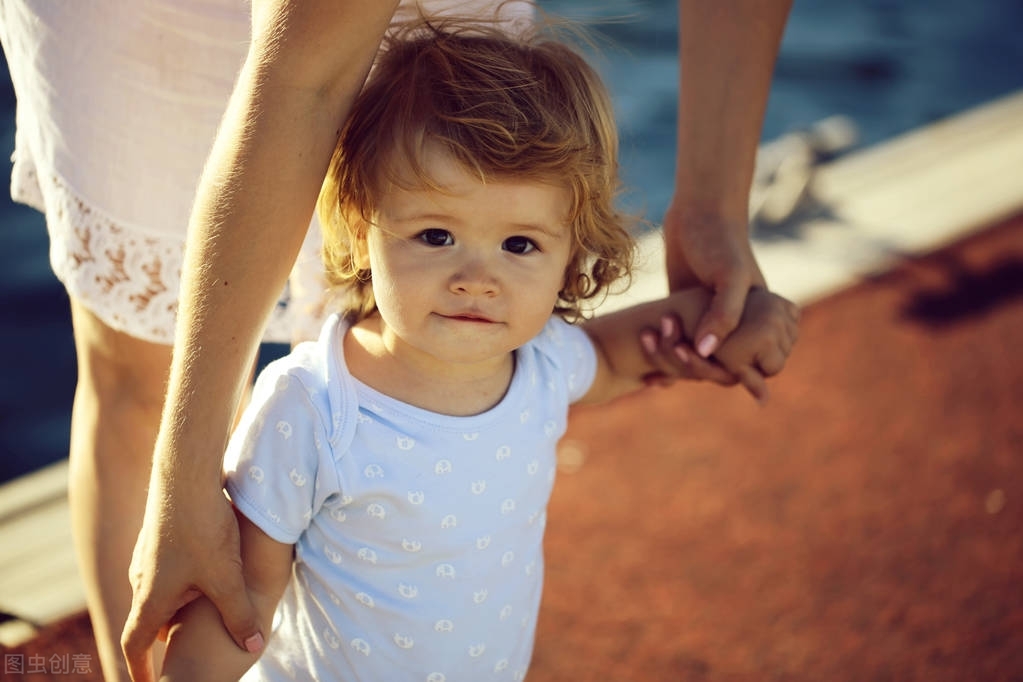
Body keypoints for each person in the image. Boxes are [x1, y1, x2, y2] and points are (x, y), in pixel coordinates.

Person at [122, 1, 795, 679]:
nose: (478, 278)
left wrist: (727, 324)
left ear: (570, 254)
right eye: (436, 236)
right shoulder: (311, 407)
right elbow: (248, 599)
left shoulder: (540, 362)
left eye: (519, 244)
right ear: (361, 229)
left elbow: (634, 350)